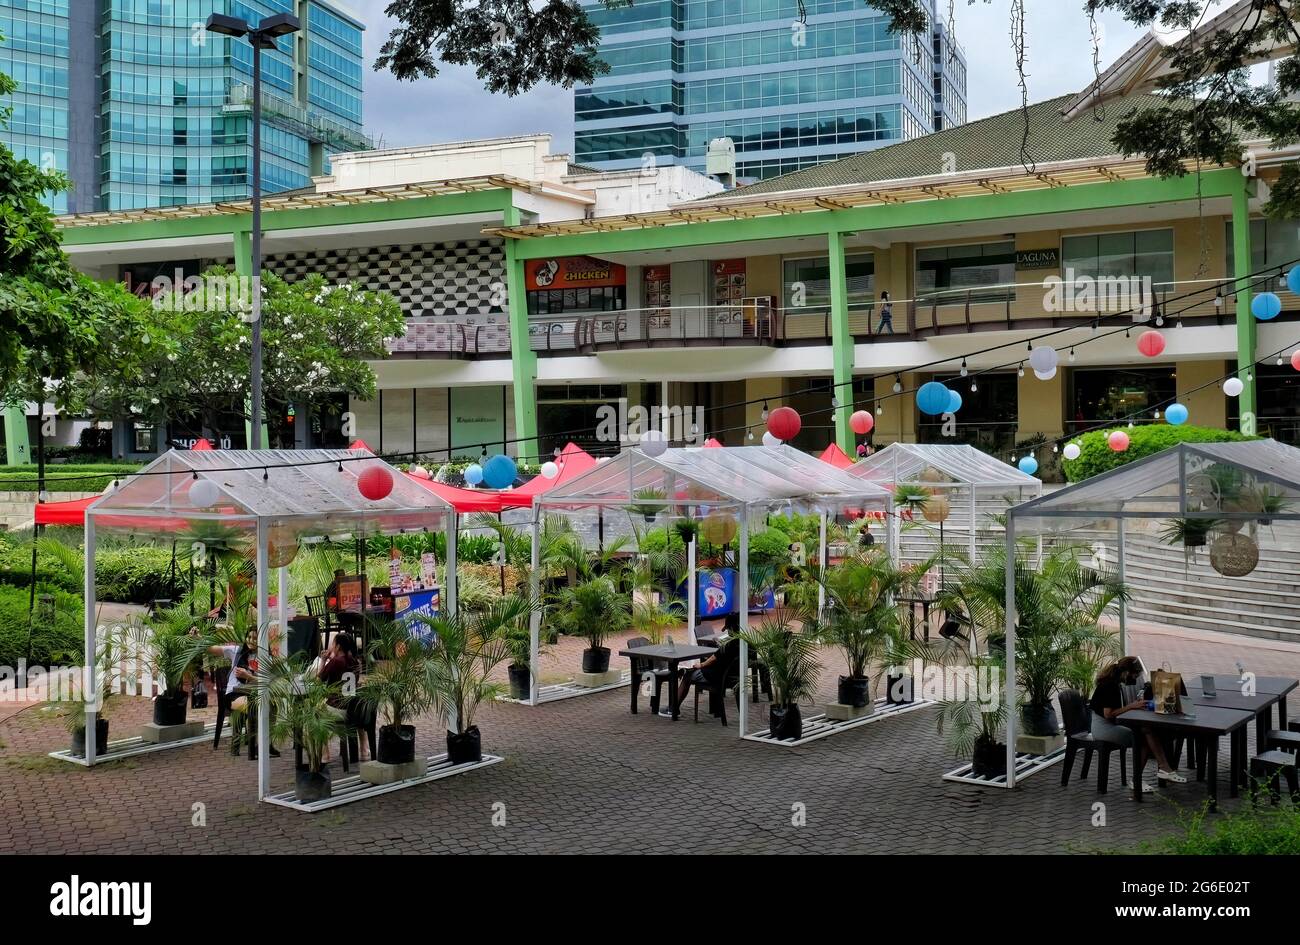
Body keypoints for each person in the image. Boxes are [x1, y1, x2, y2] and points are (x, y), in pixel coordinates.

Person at [1089, 656, 1185, 791]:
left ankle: (1163, 768)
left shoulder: (1114, 682)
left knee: (1147, 730)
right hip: (1103, 727)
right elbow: (1108, 714)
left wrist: (1134, 705)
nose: (1135, 678)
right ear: (1127, 672)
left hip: (1110, 723)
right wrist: (1132, 706)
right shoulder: (1109, 685)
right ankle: (1142, 777)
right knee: (1142, 739)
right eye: (1135, 674)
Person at [208, 628, 279, 759]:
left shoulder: (267, 658)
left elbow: (269, 682)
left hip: (256, 693)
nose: (251, 640)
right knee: (255, 706)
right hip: (234, 694)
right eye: (249, 637)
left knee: (273, 706)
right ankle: (255, 748)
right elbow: (212, 649)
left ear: (262, 640)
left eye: (255, 638)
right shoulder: (237, 652)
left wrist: (249, 676)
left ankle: (267, 743)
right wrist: (197, 637)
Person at [315, 632, 369, 762]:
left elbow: (318, 680)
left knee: (315, 714)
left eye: (333, 643)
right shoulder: (357, 662)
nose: (332, 646)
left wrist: (323, 660)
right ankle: (364, 751)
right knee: (359, 720)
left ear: (338, 647)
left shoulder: (335, 662)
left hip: (337, 709)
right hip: (353, 707)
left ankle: (325, 755)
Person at [672, 637, 737, 717]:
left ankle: (673, 709)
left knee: (687, 677)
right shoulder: (742, 643)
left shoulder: (730, 644)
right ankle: (687, 671)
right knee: (693, 671)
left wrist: (701, 664)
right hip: (729, 677)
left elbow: (714, 658)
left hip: (715, 676)